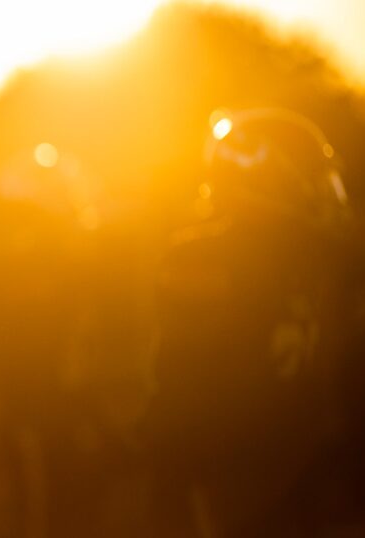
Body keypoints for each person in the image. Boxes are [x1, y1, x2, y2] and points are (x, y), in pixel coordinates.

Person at [141, 108, 353, 537]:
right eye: (307, 179)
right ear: (265, 181)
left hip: (294, 463)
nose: (319, 191)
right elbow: (184, 385)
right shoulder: (203, 260)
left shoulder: (307, 257)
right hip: (232, 476)